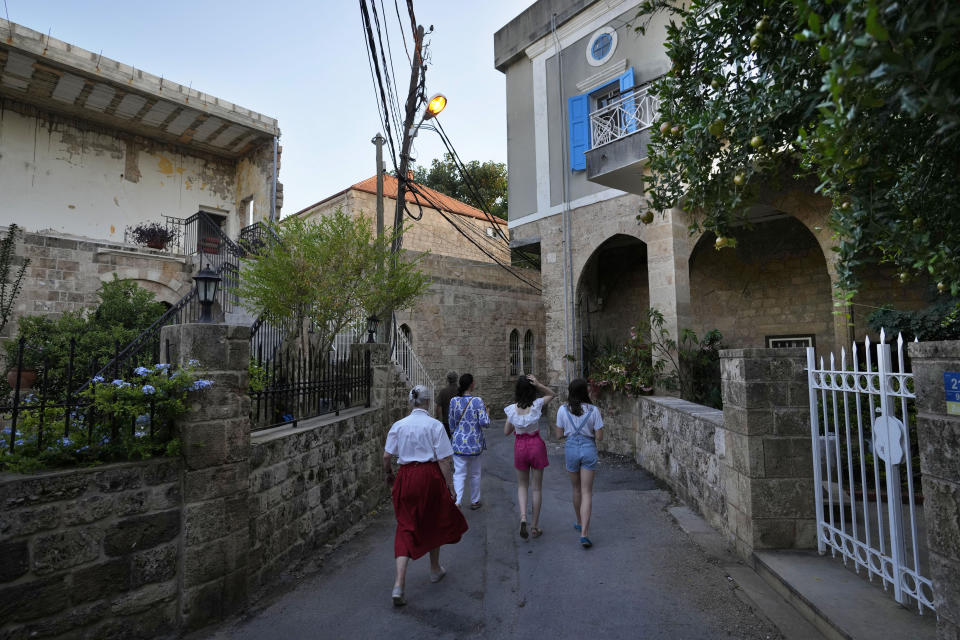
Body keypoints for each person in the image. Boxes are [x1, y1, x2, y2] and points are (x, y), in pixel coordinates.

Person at [383, 385, 468, 607]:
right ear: (428, 402)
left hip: (406, 476)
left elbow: (386, 456)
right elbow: (444, 460)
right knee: (433, 520)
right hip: (428, 476)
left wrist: (389, 474)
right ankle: (434, 569)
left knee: (405, 525)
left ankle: (399, 583)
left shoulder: (399, 425)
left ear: (412, 402)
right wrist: (450, 487)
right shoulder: (435, 425)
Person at [553, 378, 604, 549]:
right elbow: (599, 437)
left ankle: (579, 521)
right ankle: (584, 534)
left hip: (571, 449)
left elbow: (559, 435)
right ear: (585, 391)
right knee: (587, 492)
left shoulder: (562, 409)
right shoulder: (594, 410)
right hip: (589, 448)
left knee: (576, 489)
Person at [504, 374, 554, 539]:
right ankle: (534, 526)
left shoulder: (512, 409)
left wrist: (514, 423)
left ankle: (523, 517)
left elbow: (506, 432)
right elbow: (551, 394)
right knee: (537, 488)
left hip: (520, 447)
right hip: (536, 445)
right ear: (531, 390)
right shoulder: (537, 405)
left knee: (522, 486)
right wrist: (539, 384)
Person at [448, 373, 490, 509]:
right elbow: (484, 423)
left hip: (458, 443)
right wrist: (487, 412)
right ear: (471, 384)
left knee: (459, 473)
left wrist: (456, 435)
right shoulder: (477, 401)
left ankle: (457, 501)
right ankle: (474, 500)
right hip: (474, 444)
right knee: (475, 473)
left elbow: (451, 422)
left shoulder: (454, 401)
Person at [435, 370, 458, 438]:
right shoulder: (461, 391)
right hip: (459, 420)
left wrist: (438, 418)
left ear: (448, 380)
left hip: (446, 421)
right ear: (456, 379)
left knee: (448, 441)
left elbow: (438, 407)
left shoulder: (443, 391)